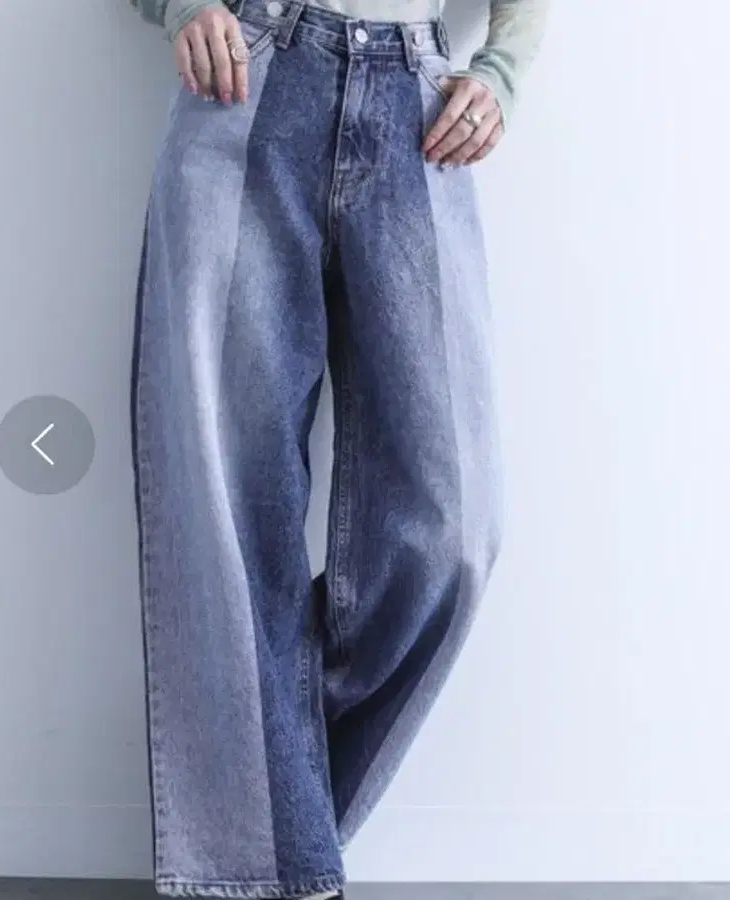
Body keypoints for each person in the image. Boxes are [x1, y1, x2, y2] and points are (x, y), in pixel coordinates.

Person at [128, 0, 548, 897]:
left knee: (453, 533)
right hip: (248, 77)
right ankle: (274, 859)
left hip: (421, 110)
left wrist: (504, 70)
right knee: (230, 505)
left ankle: (263, 823)